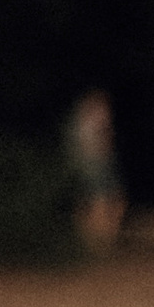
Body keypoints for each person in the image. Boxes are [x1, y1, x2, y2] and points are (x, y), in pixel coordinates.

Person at [65, 87, 125, 256]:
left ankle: (95, 244)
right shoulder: (91, 115)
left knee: (96, 203)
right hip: (95, 163)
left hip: (93, 164)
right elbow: (99, 141)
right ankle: (100, 246)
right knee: (100, 203)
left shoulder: (78, 117)